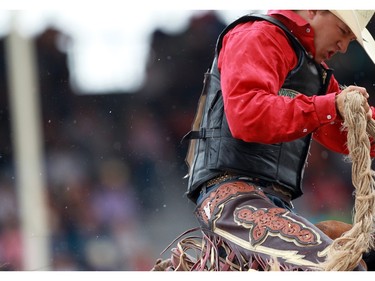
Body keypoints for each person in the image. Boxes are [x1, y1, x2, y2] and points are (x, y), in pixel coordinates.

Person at [182, 10, 375, 271]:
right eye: (342, 31)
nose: (342, 47)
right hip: (230, 199)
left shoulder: (311, 68)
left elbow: (344, 133)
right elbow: (248, 117)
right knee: (341, 267)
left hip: (271, 203)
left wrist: (337, 107)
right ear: (314, 10)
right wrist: (328, 105)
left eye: (350, 39)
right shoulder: (257, 35)